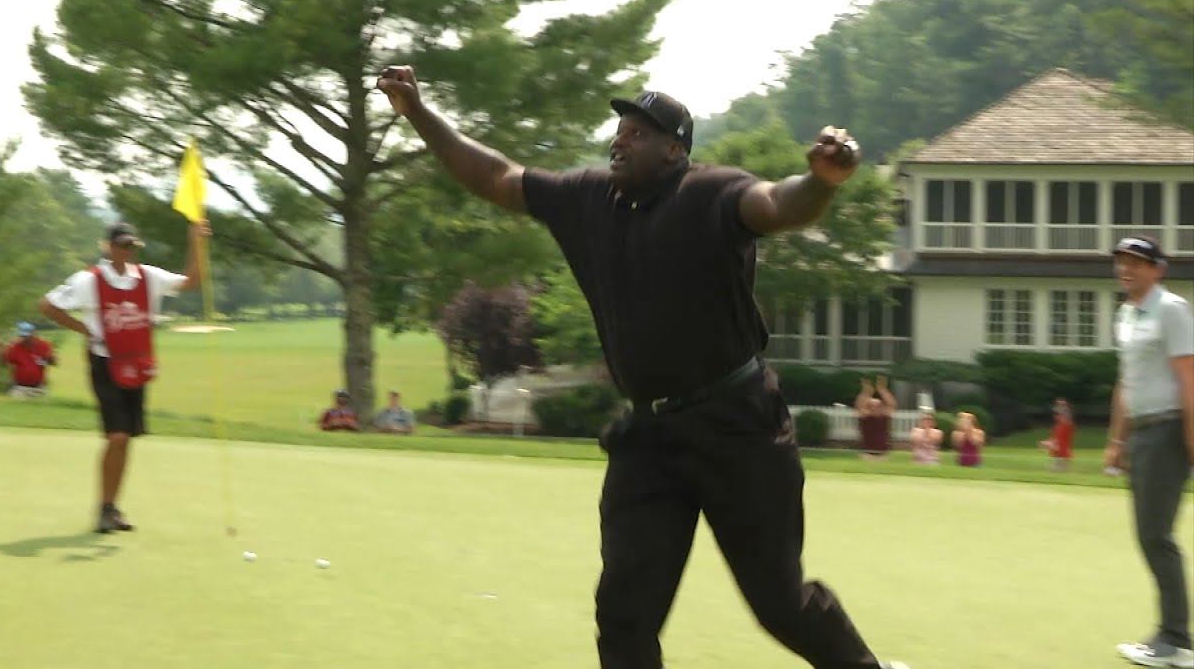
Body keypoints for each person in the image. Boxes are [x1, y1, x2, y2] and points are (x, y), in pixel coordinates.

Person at [377, 65, 910, 669]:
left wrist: (822, 181)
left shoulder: (711, 193)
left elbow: (777, 204)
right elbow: (497, 176)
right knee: (624, 611)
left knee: (779, 604)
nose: (620, 139)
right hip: (649, 439)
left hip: (738, 428)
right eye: (620, 129)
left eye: (639, 132)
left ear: (674, 150)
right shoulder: (588, 199)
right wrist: (418, 113)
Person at [38, 220, 209, 533]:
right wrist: (84, 329)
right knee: (116, 435)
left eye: (131, 245)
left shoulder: (148, 277)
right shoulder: (88, 280)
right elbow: (47, 305)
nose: (126, 251)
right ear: (108, 247)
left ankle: (112, 507)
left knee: (126, 437)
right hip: (105, 363)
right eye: (121, 245)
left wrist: (195, 242)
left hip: (137, 364)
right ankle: (104, 508)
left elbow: (191, 281)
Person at [1106, 235, 1194, 668]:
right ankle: (1173, 636)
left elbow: (1188, 376)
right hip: (1141, 433)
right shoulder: (1124, 314)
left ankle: (1176, 640)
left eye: (1137, 262)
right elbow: (1126, 383)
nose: (1127, 269)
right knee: (1150, 535)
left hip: (1167, 428)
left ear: (1157, 269)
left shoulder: (1172, 309)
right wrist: (1116, 440)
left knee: (1156, 536)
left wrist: (1192, 436)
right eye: (1122, 261)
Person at [0, 321, 57, 398]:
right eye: (22, 336)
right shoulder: (15, 346)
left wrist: (51, 358)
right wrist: (1, 352)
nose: (25, 339)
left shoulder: (44, 345)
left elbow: (53, 363)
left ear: (34, 333)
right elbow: (4, 363)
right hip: (20, 388)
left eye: (27, 336)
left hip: (39, 388)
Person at [855, 375, 897, 459]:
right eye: (872, 406)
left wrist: (882, 390)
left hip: (883, 454)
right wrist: (866, 391)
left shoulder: (884, 417)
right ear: (868, 407)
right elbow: (859, 406)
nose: (875, 407)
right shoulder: (865, 417)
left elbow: (892, 404)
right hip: (867, 454)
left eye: (878, 405)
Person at [1038, 398, 1075, 472]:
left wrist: (1063, 407)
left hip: (1062, 456)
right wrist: (1047, 443)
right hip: (1058, 456)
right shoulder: (1058, 426)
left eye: (1057, 414)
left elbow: (1057, 442)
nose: (1055, 416)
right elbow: (1055, 440)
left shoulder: (1066, 425)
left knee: (1056, 472)